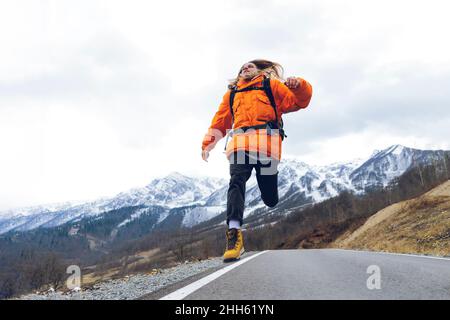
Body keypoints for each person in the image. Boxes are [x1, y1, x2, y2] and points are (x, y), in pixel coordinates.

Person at [201, 59, 313, 262]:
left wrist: (300, 86)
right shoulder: (232, 94)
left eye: (250, 65)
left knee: (270, 198)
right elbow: (221, 120)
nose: (245, 67)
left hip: (267, 148)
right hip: (240, 145)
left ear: (260, 70)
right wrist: (207, 144)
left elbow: (299, 102)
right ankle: (234, 234)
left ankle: (269, 192)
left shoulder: (271, 85)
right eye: (242, 66)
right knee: (236, 182)